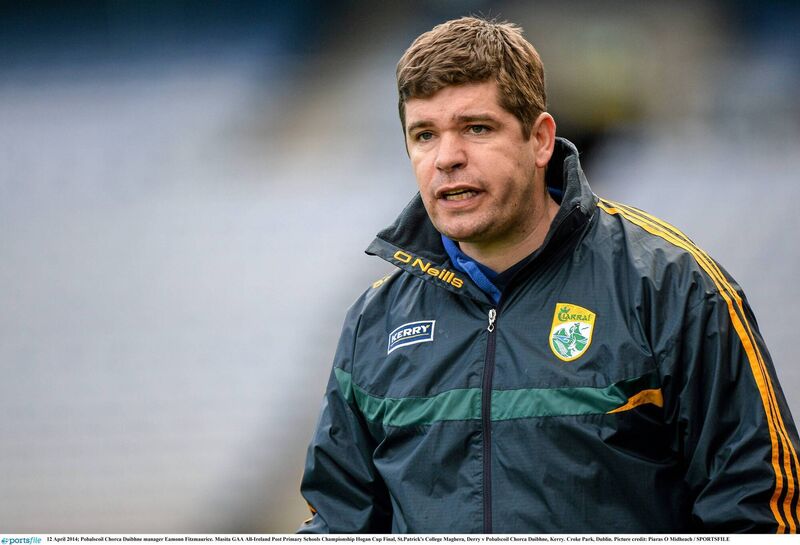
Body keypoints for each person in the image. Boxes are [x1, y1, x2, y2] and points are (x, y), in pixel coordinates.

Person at [298, 16, 800, 533]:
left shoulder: (672, 287)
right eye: (424, 135)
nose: (446, 158)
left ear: (540, 140)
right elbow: (338, 522)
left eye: (477, 127)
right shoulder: (374, 322)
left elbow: (758, 505)